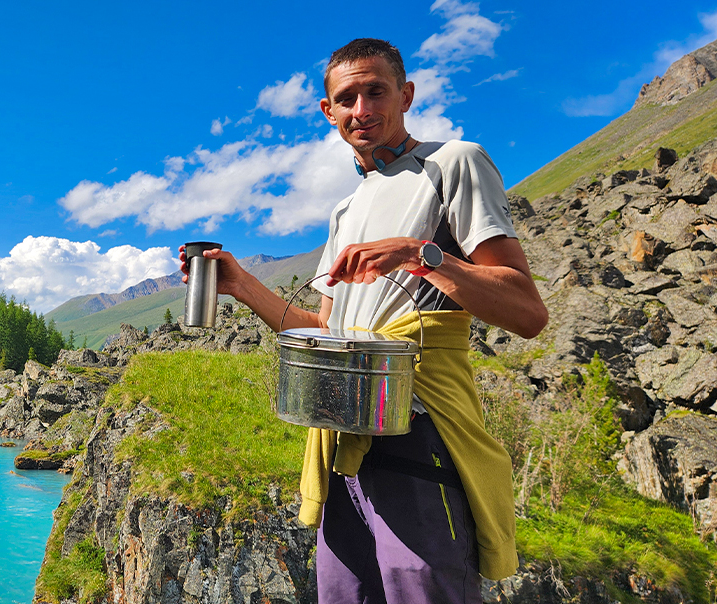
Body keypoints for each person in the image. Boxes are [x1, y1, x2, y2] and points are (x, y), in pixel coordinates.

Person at [178, 38, 547, 603]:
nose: (363, 109)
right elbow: (327, 332)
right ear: (329, 111)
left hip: (419, 424)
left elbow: (526, 310)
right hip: (343, 426)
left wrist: (421, 255)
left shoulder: (454, 163)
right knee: (344, 592)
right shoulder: (344, 211)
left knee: (420, 591)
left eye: (376, 91)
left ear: (406, 94)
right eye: (347, 98)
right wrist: (240, 285)